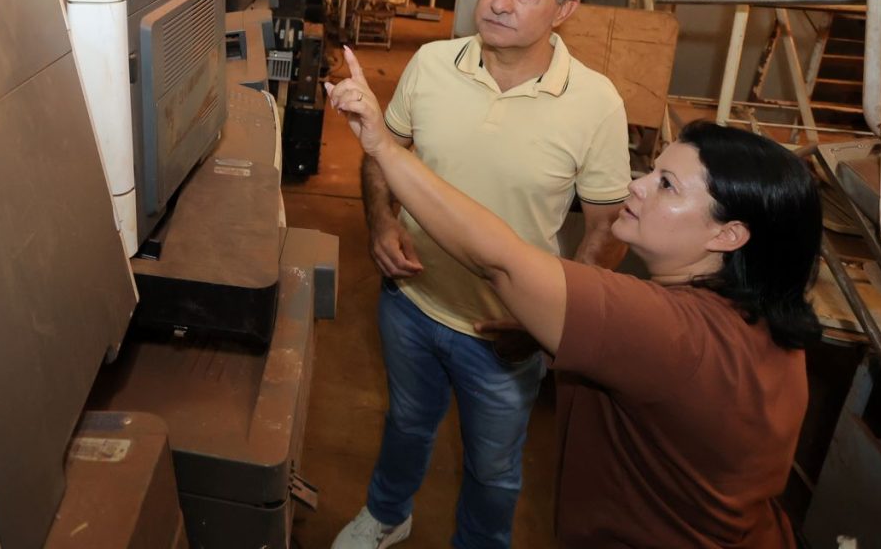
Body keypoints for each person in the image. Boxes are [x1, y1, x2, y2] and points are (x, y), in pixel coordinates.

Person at [328, 50, 821, 548]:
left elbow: (500, 259)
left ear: (729, 235)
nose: (636, 185)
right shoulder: (767, 324)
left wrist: (385, 149)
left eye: (666, 185)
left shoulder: (666, 329)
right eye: (653, 171)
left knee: (492, 469)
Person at [334, 0, 630, 549]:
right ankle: (389, 515)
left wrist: (551, 319)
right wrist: (382, 223)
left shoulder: (596, 103)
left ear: (566, 8)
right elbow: (382, 154)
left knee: (493, 470)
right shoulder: (431, 63)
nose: (498, 3)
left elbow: (606, 228)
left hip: (506, 336)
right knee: (408, 424)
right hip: (410, 303)